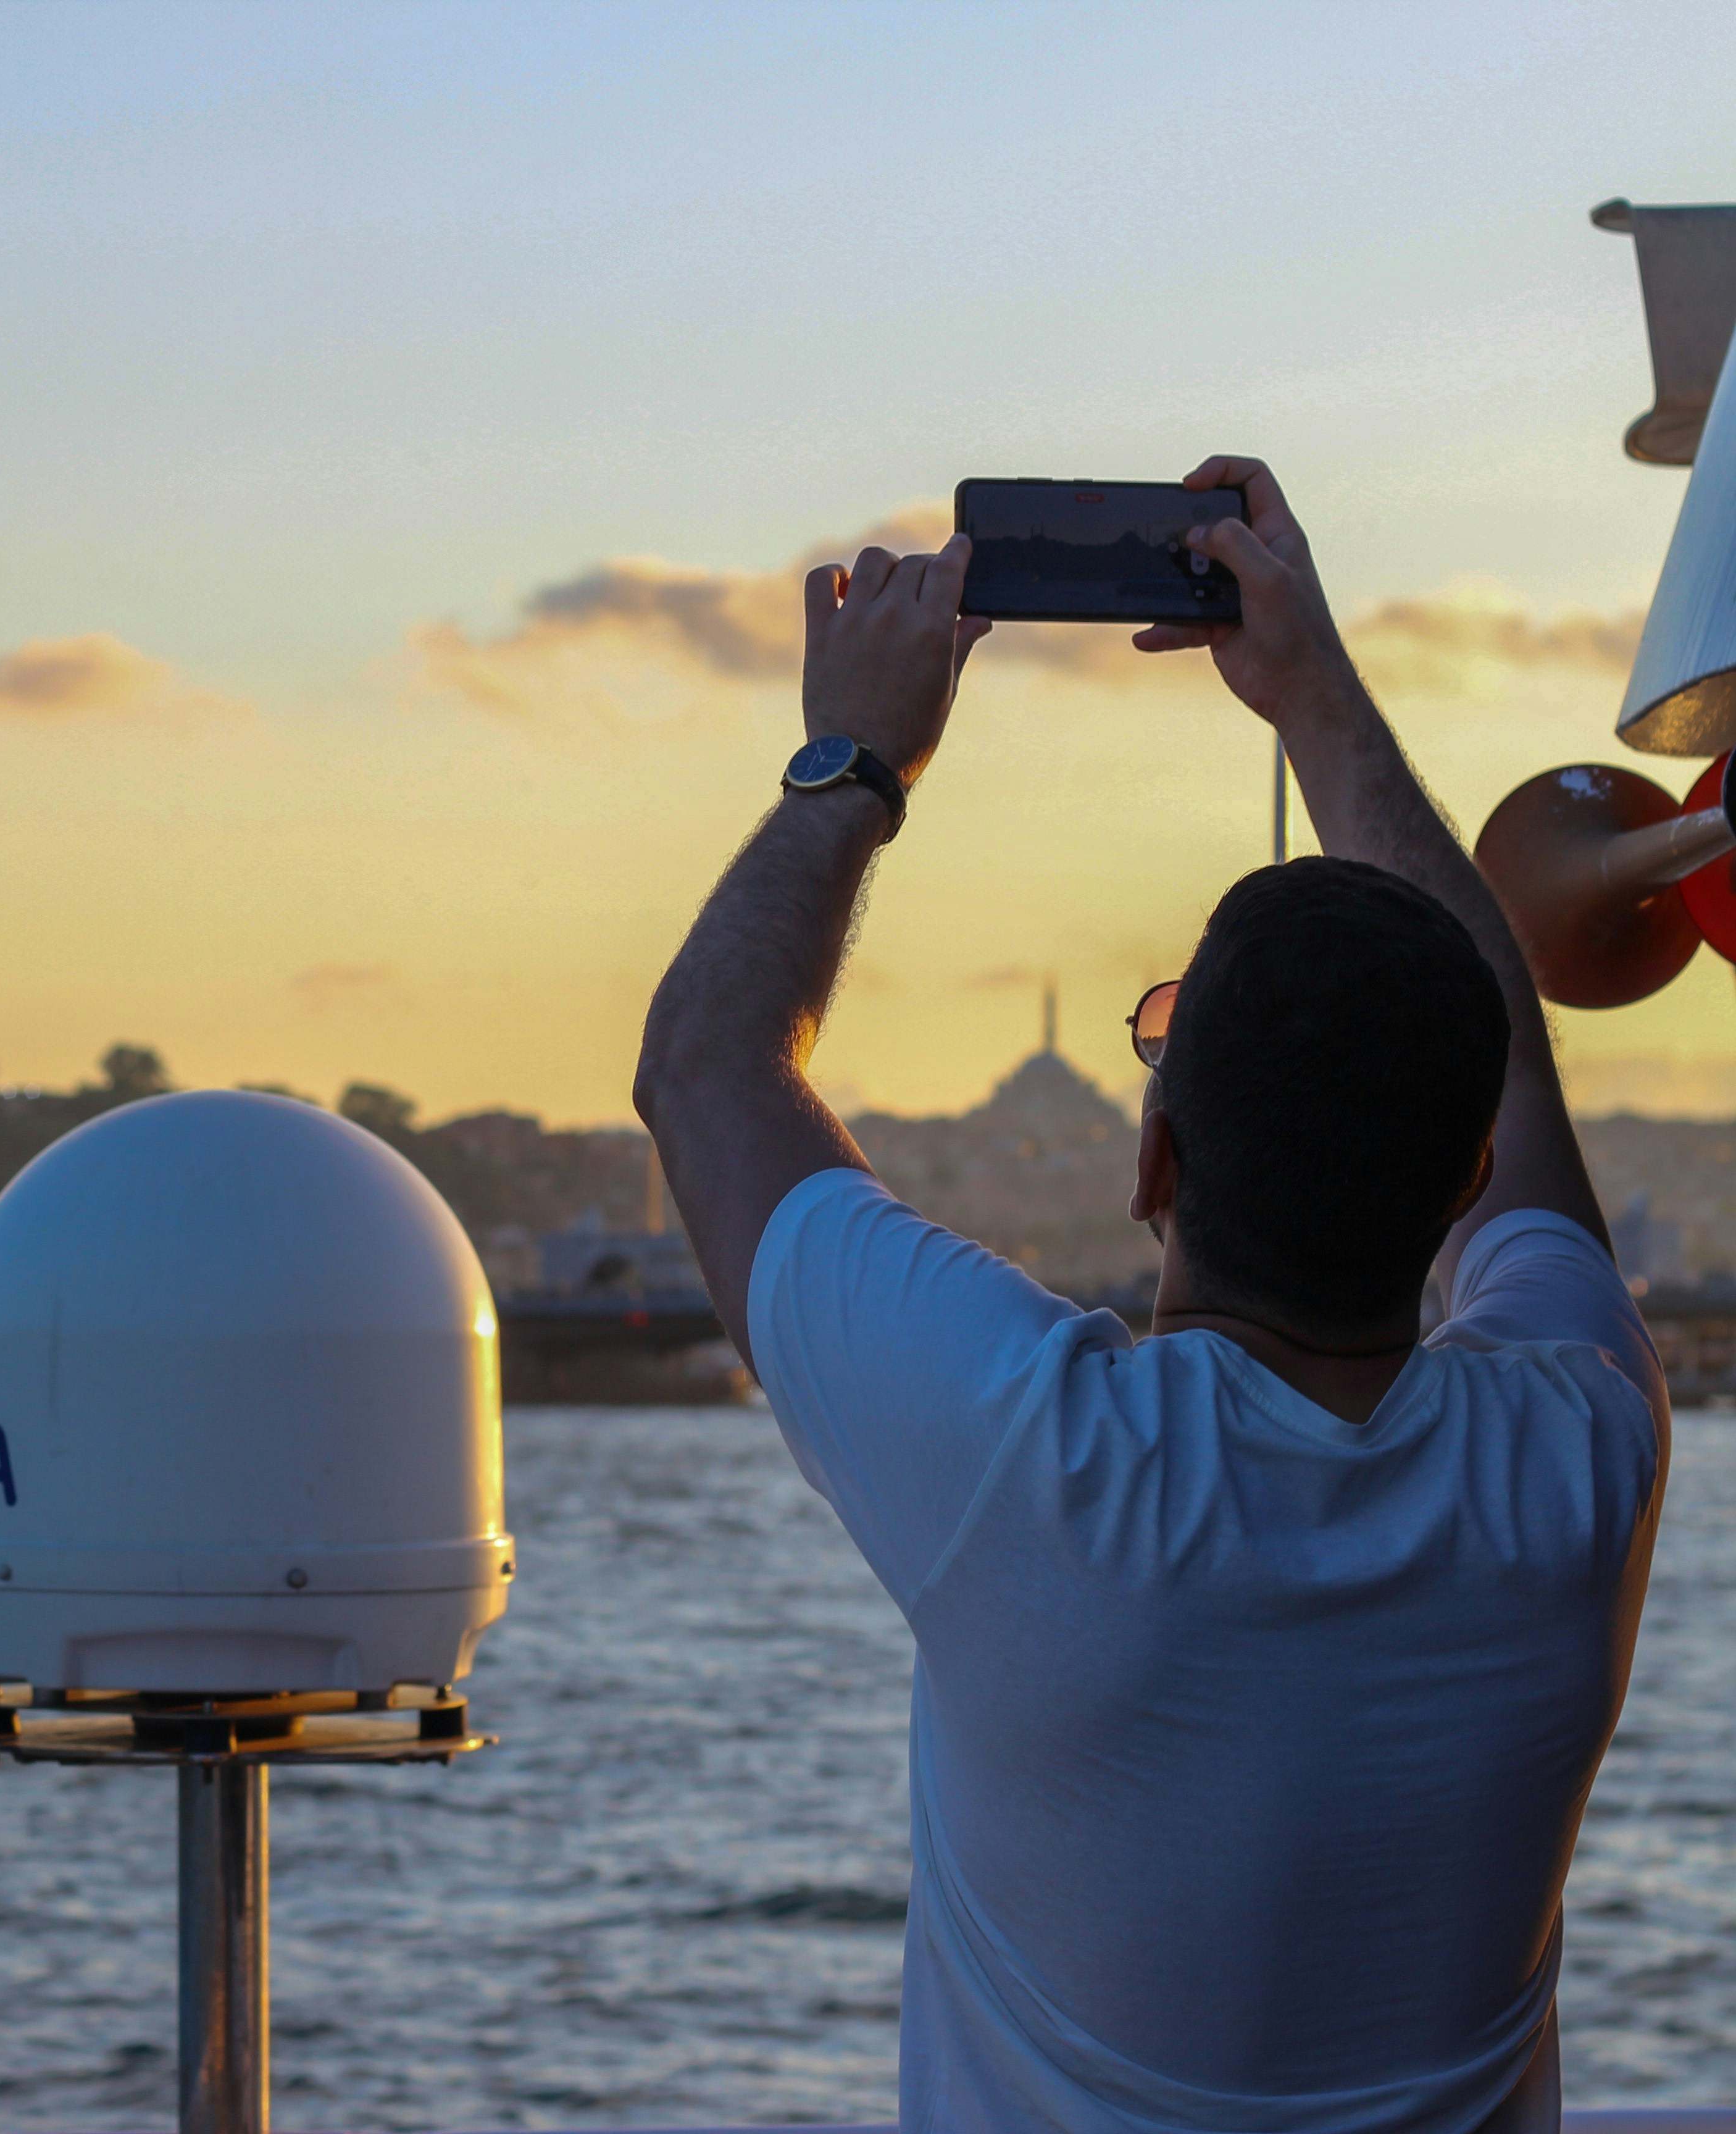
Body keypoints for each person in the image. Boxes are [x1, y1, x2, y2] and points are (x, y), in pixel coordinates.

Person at [633, 457, 1666, 2134]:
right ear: (1467, 1183)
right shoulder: (1579, 1461)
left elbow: (702, 1071)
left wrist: (858, 760)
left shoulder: (1044, 1468)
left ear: (1155, 1167)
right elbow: (1517, 1076)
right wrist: (1319, 700)